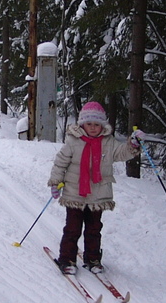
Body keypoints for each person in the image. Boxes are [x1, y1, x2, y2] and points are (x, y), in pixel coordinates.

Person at [47, 101, 144, 275]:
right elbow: (60, 163)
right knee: (72, 228)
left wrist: (133, 144)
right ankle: (67, 258)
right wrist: (55, 183)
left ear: (103, 125)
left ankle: (93, 258)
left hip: (98, 195)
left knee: (94, 229)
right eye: (89, 124)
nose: (93, 128)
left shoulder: (108, 142)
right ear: (82, 124)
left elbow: (122, 153)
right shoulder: (73, 141)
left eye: (97, 125)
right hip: (75, 194)